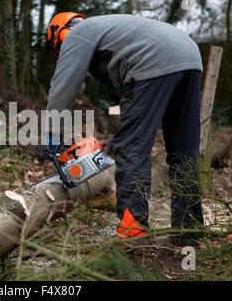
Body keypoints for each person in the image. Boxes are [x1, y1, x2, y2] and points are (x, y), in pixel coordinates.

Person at [45, 12, 204, 246]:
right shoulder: (109, 29)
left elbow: (63, 86)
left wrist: (52, 134)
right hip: (189, 54)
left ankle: (134, 227)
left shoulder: (77, 34)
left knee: (132, 150)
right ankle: (188, 232)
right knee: (184, 152)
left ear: (58, 35)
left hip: (154, 60)